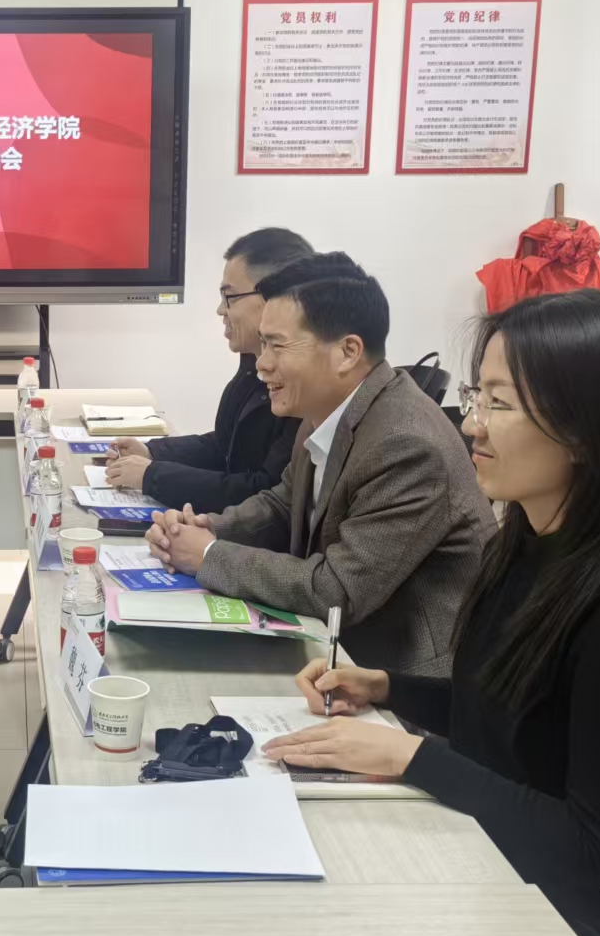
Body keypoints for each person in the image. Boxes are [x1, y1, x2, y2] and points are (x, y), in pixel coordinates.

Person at [261, 290, 600, 936]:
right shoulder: (530, 546)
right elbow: (517, 711)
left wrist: (412, 755)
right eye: (477, 395)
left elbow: (595, 850)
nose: (471, 424)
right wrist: (388, 688)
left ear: (585, 429)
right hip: (502, 878)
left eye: (499, 403)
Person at [147, 252, 493, 675]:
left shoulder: (406, 444)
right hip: (335, 651)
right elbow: (282, 504)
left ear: (347, 352)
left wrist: (208, 555)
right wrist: (207, 528)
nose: (262, 364)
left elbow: (337, 590)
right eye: (263, 344)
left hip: (399, 680)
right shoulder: (326, 411)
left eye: (277, 345)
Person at [103, 228, 309, 511]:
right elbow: (225, 447)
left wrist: (153, 475)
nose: (220, 310)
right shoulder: (252, 364)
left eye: (230, 297)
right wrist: (153, 452)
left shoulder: (304, 388)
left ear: (274, 297)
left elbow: (264, 493)